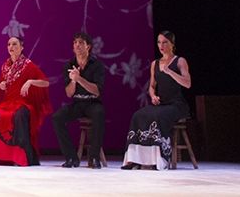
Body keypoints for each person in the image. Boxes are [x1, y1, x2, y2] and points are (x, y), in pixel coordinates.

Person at [121, 30, 192, 171]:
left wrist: (170, 72)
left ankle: (159, 160)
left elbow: (187, 83)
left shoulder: (180, 61)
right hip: (162, 103)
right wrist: (153, 96)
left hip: (177, 104)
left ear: (172, 44)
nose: (161, 45)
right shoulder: (155, 63)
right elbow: (152, 86)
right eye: (159, 42)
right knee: (138, 115)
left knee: (158, 117)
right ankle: (134, 159)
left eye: (165, 42)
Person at [0, 36, 51, 167]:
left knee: (18, 115)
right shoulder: (5, 66)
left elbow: (46, 83)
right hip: (8, 103)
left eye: (15, 44)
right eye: (9, 44)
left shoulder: (28, 65)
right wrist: (1, 85)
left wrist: (30, 82)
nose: (11, 47)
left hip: (24, 103)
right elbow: (2, 84)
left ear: (22, 47)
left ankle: (20, 157)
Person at [51, 31, 106, 169]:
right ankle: (71, 157)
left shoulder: (97, 65)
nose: (77, 45)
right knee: (57, 117)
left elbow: (97, 91)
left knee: (99, 113)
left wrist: (79, 78)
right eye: (75, 42)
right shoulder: (69, 65)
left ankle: (94, 158)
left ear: (88, 46)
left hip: (92, 102)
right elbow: (69, 94)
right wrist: (73, 81)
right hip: (77, 103)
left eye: (81, 42)